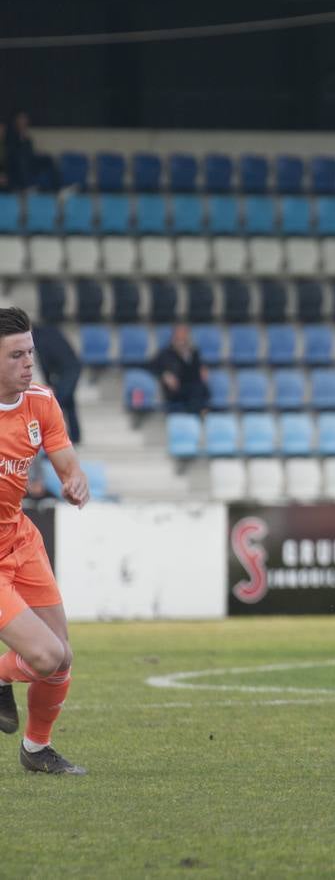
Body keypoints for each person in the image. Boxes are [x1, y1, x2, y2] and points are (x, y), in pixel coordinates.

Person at [0, 306, 91, 774]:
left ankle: (37, 750)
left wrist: (75, 481)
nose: (28, 363)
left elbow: (68, 464)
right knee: (45, 655)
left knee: (61, 659)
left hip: (21, 539)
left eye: (30, 352)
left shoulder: (41, 401)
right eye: (16, 355)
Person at [32, 325, 82, 445]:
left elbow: (44, 363)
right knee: (69, 402)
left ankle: (53, 439)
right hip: (73, 365)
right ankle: (75, 436)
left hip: (68, 370)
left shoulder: (37, 339)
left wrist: (49, 382)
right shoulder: (51, 329)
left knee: (56, 403)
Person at [150, 324, 210, 414]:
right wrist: (165, 375)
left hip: (194, 386)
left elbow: (199, 366)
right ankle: (199, 413)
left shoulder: (194, 352)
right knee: (196, 392)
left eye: (184, 337)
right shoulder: (165, 353)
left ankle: (199, 412)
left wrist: (203, 369)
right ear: (174, 337)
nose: (182, 340)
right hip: (176, 388)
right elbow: (151, 366)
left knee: (201, 389)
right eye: (179, 337)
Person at [4, 113, 58, 192]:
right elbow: (13, 152)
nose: (23, 122)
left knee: (48, 158)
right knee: (22, 161)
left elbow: (30, 150)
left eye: (24, 119)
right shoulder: (11, 135)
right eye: (21, 119)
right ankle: (25, 187)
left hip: (30, 159)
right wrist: (21, 140)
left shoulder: (26, 135)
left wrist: (37, 153)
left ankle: (56, 187)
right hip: (16, 162)